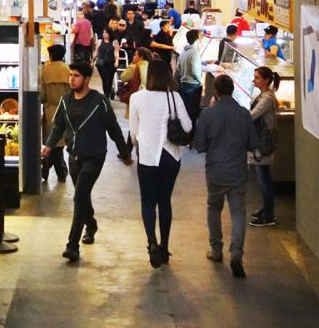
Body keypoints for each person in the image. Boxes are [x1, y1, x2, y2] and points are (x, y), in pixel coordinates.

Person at [43, 62, 133, 262]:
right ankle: (90, 224)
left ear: (86, 79)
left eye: (76, 76)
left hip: (95, 156)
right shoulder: (65, 101)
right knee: (82, 196)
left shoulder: (99, 102)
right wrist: (49, 145)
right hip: (74, 156)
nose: (71, 79)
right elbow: (58, 125)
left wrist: (125, 153)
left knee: (79, 196)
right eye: (70, 75)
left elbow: (114, 128)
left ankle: (72, 245)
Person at [129, 59, 192, 268]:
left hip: (147, 157)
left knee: (148, 202)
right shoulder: (174, 97)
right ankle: (164, 246)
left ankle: (152, 243)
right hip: (170, 156)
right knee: (165, 202)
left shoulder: (136, 98)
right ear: (168, 75)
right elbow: (188, 126)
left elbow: (134, 133)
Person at [194, 74, 258, 277]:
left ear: (216, 92)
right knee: (238, 212)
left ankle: (216, 250)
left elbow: (200, 145)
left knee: (214, 208)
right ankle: (237, 252)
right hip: (238, 171)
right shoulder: (244, 114)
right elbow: (253, 143)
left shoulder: (207, 115)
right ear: (232, 90)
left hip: (215, 171)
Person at [248, 67, 280, 227]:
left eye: (257, 77)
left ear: (266, 80)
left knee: (264, 179)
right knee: (263, 177)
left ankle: (268, 214)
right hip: (261, 141)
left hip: (264, 143)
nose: (254, 80)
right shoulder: (264, 96)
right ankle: (266, 208)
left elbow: (252, 115)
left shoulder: (267, 99)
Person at [40, 44, 72, 183]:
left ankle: (50, 167)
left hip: (50, 110)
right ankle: (59, 170)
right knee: (58, 144)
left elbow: (41, 95)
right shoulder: (68, 70)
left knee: (52, 142)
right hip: (66, 110)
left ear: (51, 55)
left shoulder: (44, 71)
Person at [177, 28, 206, 133]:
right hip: (193, 86)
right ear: (197, 39)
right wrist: (200, 81)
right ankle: (191, 135)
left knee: (186, 111)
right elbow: (194, 70)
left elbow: (178, 68)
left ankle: (186, 134)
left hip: (184, 84)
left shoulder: (184, 51)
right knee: (192, 112)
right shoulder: (194, 52)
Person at [94, 28, 119, 99]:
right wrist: (93, 60)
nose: (104, 34)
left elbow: (116, 52)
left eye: (106, 33)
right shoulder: (99, 42)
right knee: (105, 79)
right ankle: (106, 96)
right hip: (102, 64)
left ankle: (109, 91)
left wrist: (117, 61)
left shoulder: (114, 42)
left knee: (110, 79)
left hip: (111, 63)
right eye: (103, 32)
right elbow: (96, 52)